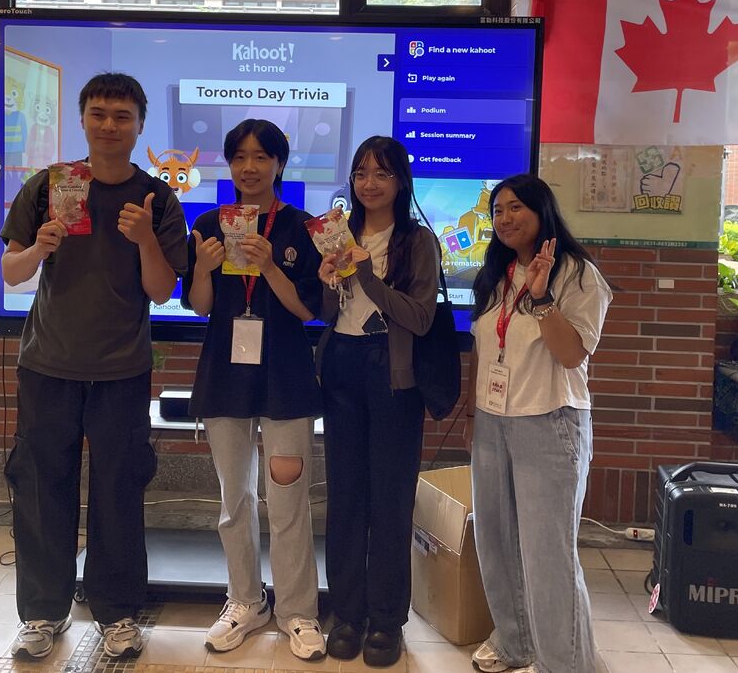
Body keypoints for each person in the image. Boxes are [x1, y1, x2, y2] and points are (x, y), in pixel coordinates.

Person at [0, 72, 188, 661]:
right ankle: (42, 613)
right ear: (82, 119)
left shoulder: (157, 198)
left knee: (118, 492)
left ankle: (118, 613)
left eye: (122, 116)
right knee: (40, 490)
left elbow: (162, 291)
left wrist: (145, 239)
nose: (109, 125)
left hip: (122, 371)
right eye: (99, 114)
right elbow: (12, 272)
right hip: (48, 364)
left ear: (140, 126)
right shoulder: (48, 186)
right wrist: (40, 247)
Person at [182, 119, 326, 661]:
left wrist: (268, 267)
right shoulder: (208, 224)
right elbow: (199, 306)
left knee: (288, 499)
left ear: (279, 164)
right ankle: (245, 600)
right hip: (225, 376)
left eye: (261, 157)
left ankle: (298, 611)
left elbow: (308, 310)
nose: (249, 167)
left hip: (285, 377)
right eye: (240, 157)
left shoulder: (302, 228)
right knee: (233, 500)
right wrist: (202, 268)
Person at [466, 173, 612, 673]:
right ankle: (515, 643)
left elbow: (571, 355)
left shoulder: (578, 274)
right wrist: (476, 414)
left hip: (550, 421)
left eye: (516, 208)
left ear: (541, 211)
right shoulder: (496, 272)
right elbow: (486, 346)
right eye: (497, 210)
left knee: (548, 554)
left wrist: (543, 296)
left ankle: (563, 664)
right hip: (493, 422)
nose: (504, 218)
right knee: (495, 541)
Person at [316, 135, 439, 668]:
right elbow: (329, 313)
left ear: (400, 181)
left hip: (393, 376)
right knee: (345, 499)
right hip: (341, 366)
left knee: (390, 502)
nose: (369, 183)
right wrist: (328, 281)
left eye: (382, 173)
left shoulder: (416, 241)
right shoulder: (339, 233)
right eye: (361, 173)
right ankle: (347, 614)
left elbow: (420, 317)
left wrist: (367, 273)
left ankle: (387, 620)